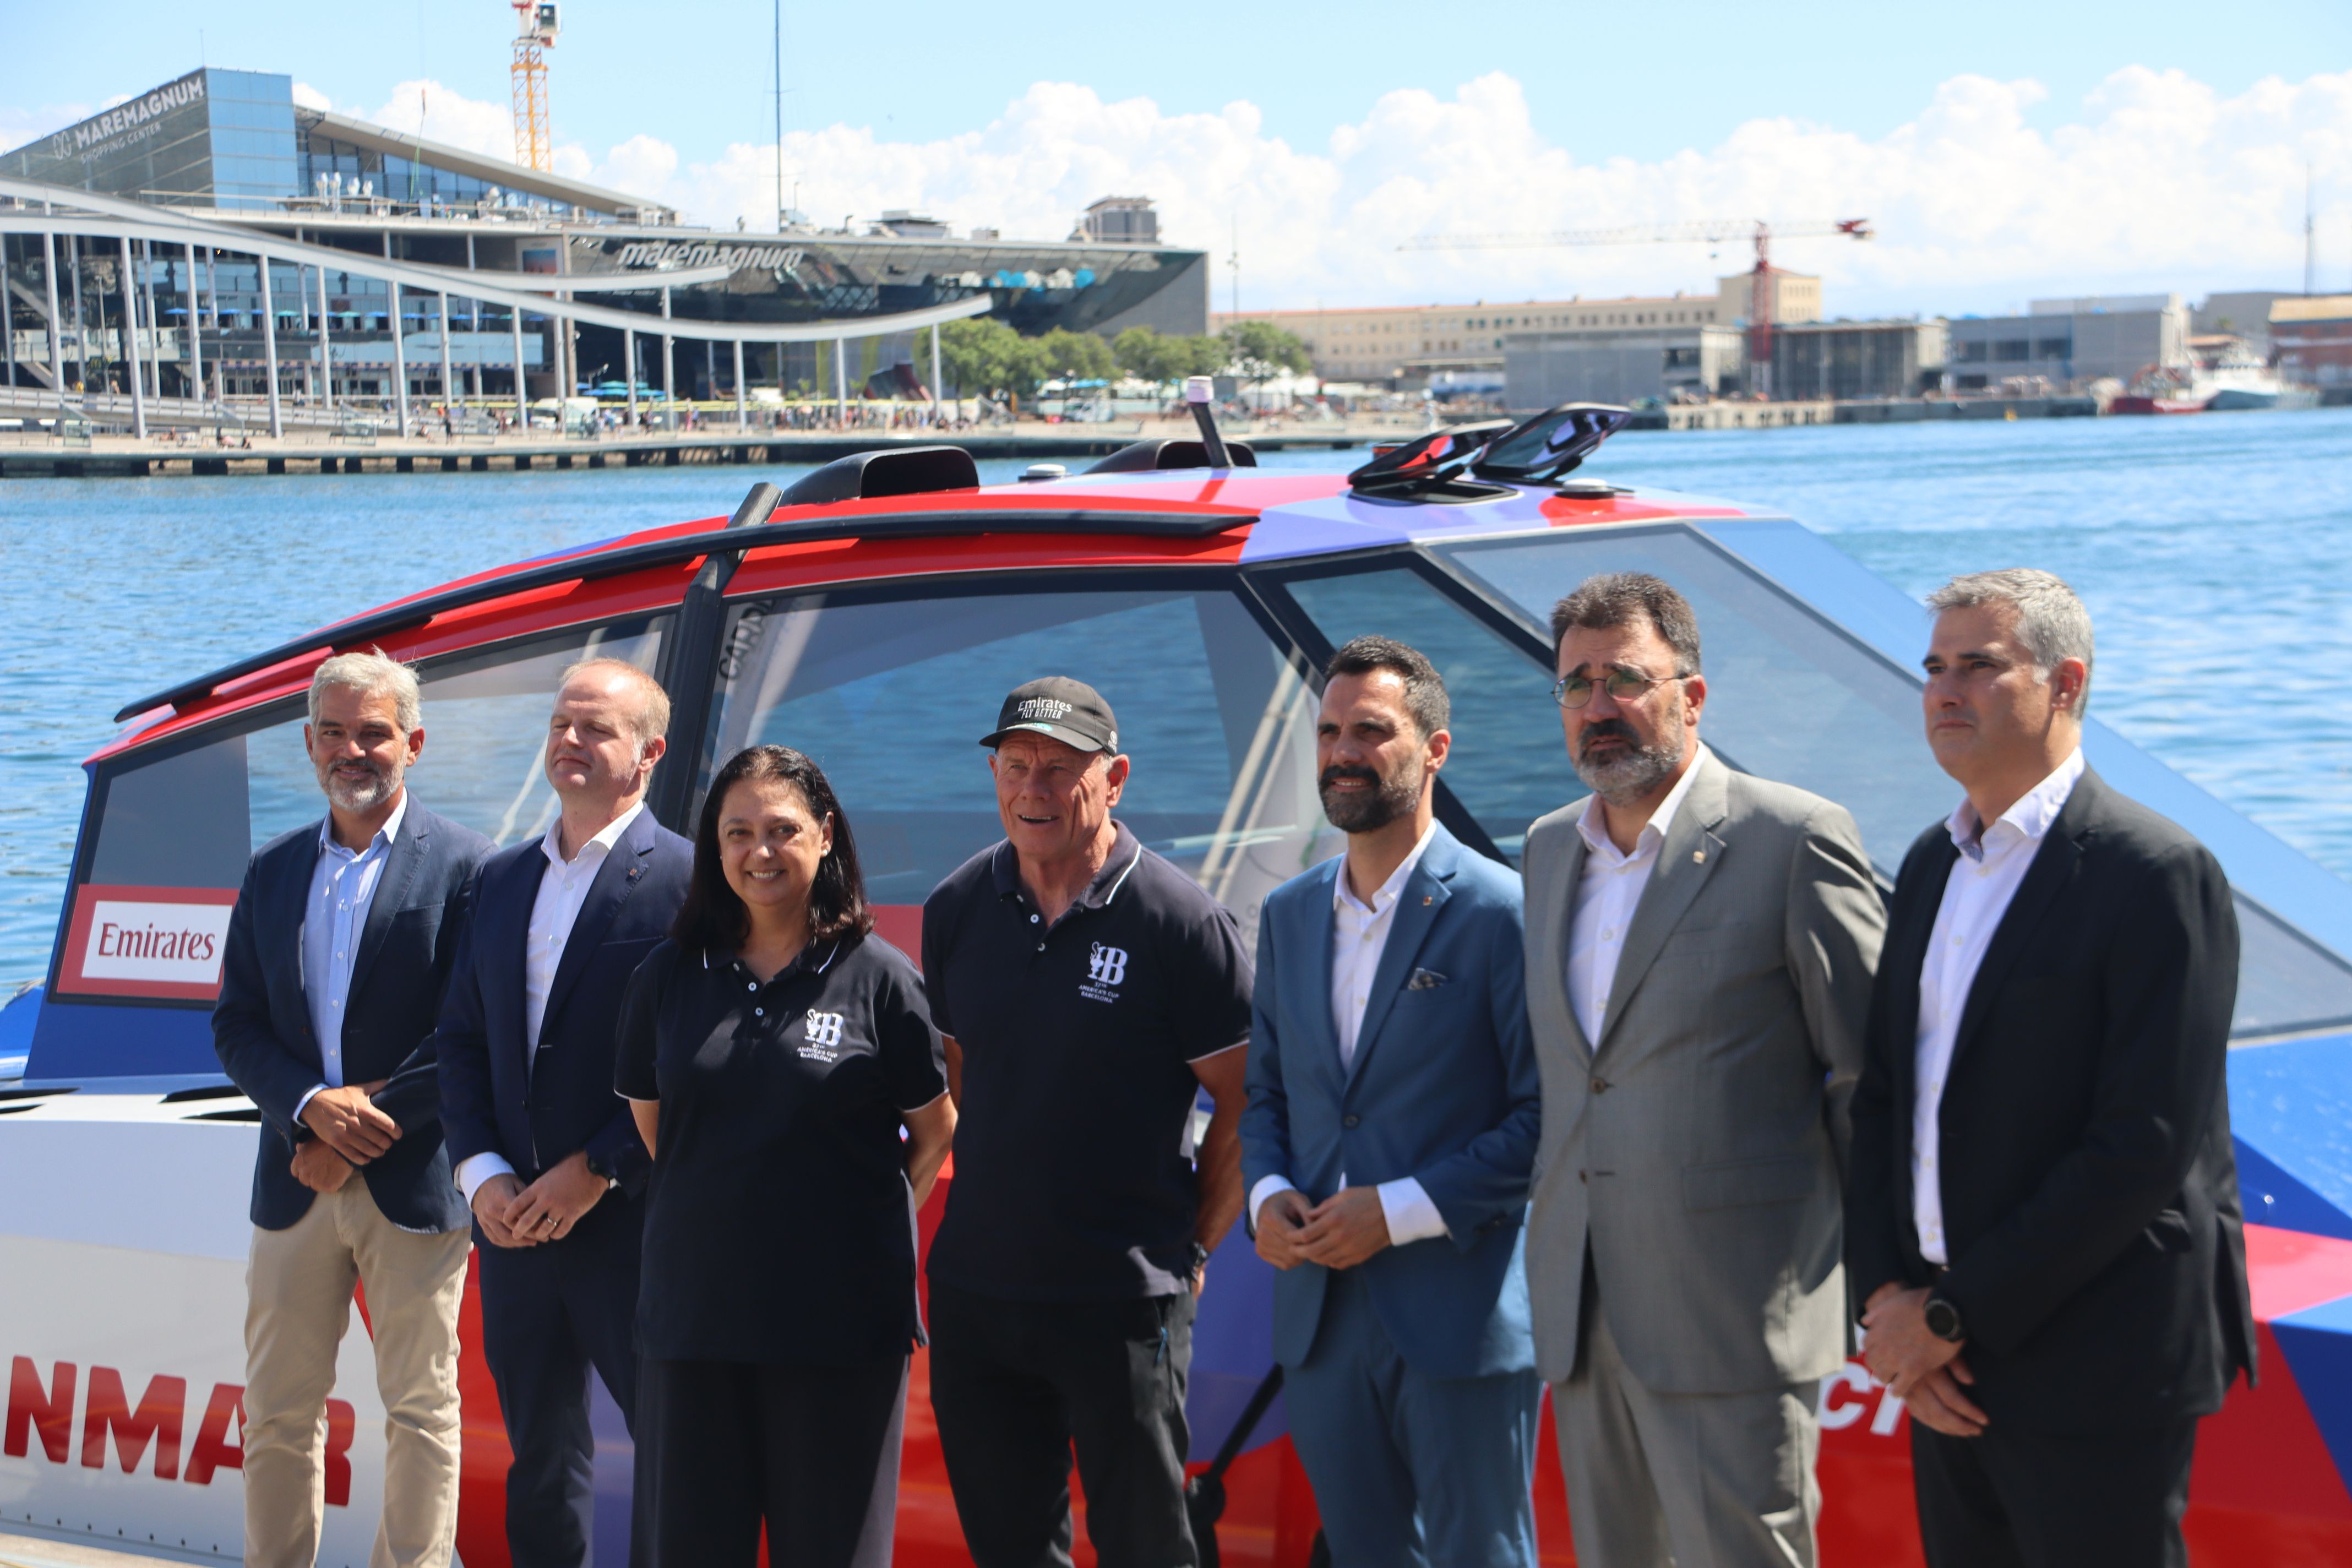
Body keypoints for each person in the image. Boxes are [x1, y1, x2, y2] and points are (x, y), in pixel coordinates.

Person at [1845, 569, 2253, 1568]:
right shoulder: (1931, 866)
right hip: (1946, 1362)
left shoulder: (2154, 873)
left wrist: (1949, 1313)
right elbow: (1886, 1100)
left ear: (2065, 682)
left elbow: (2143, 1147)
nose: (1944, 691)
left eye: (1978, 666)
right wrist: (1886, 1304)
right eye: (1934, 668)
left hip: (2096, 1363)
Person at [1521, 573, 1884, 1568]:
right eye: (1576, 685)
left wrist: (1886, 1283)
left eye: (1626, 680)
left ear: (1694, 693)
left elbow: (1871, 1083)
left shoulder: (1795, 839)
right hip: (1582, 1308)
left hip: (1736, 1315)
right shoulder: (1549, 850)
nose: (1598, 708)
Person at [921, 677, 1253, 1568]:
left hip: (1124, 1296)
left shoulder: (1181, 923)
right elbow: (964, 1075)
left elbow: (1247, 1099)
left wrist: (1193, 1252)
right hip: (978, 1297)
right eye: (1015, 764)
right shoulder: (956, 908)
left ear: (1116, 779)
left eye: (1060, 770)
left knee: (1147, 1543)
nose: (1033, 788)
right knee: (1010, 1547)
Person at [1241, 638, 1543, 1568]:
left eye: (1372, 731)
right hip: (1321, 1320)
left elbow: (1548, 1119)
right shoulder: (1289, 914)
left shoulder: (1505, 911)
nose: (1343, 752)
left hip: (1459, 1313)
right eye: (1330, 731)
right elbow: (1266, 1096)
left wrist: (1398, 1212)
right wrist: (1265, 1198)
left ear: (1435, 749)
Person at [615, 745, 956, 1567]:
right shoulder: (667, 978)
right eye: (737, 833)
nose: (758, 852)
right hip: (696, 1321)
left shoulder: (881, 978)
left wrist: (852, 1220)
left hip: (838, 1328)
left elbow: (935, 1128)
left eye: (781, 830)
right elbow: (659, 1129)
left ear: (826, 834)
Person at [212, 650, 493, 1568]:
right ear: (308, 744)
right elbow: (238, 1025)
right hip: (293, 1178)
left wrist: (356, 1131)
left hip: (412, 1182)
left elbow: (468, 1026)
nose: (352, 750)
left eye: (373, 731)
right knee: (279, 1412)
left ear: (412, 742)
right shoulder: (273, 870)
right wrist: (307, 1109)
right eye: (333, 732)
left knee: (420, 1410)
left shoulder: (467, 867)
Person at [431, 659, 692, 1568]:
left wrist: (598, 1169)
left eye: (597, 729)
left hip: (632, 1224)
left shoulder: (691, 883)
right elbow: (459, 1041)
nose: (571, 742)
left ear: (650, 754)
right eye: (561, 724)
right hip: (512, 1233)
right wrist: (481, 1174)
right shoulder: (500, 881)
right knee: (540, 1454)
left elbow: (696, 1067)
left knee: (673, 1452)